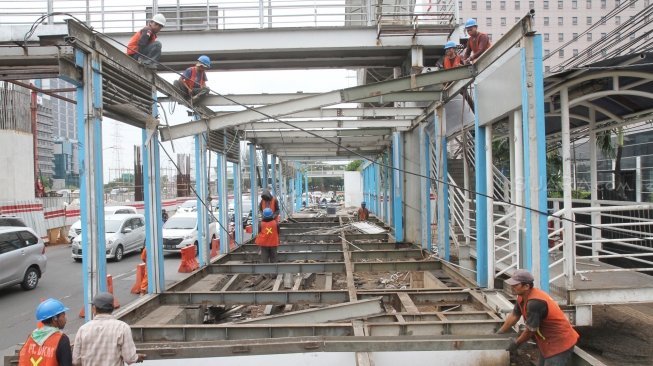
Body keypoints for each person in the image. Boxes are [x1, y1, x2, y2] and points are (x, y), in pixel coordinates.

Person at [497, 269, 579, 366]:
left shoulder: (535, 303)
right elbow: (514, 315)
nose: (512, 287)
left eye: (515, 285)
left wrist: (516, 343)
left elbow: (530, 330)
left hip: (559, 343)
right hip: (547, 342)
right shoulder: (521, 296)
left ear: (526, 286)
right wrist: (500, 332)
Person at [72, 292, 146, 366]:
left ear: (94, 309)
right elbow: (130, 358)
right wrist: (137, 357)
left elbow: (76, 361)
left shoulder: (83, 329)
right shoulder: (122, 327)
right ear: (112, 308)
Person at [19, 298, 72, 366]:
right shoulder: (62, 339)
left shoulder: (32, 337)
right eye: (63, 316)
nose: (65, 319)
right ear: (55, 319)